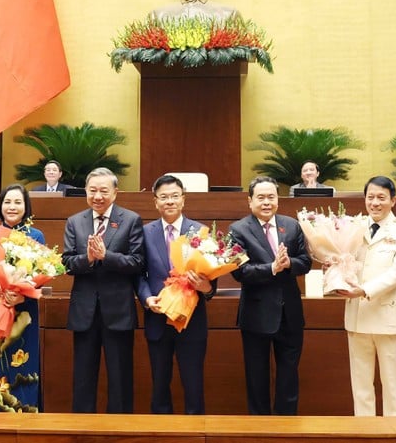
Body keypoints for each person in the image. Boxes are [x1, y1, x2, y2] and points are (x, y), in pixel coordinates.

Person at [62, 167, 144, 413]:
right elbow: (66, 263)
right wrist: (86, 258)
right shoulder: (75, 222)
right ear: (86, 191)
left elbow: (138, 263)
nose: (98, 196)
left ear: (115, 192)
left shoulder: (131, 220)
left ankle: (119, 430)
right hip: (84, 312)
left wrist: (107, 256)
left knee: (120, 379)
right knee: (83, 378)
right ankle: (82, 430)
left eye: (103, 191)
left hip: (118, 311)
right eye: (93, 190)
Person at [229, 176, 311, 415]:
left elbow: (305, 262)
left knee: (289, 378)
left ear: (278, 199)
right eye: (261, 197)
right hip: (256, 315)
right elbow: (240, 272)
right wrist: (272, 268)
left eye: (271, 197)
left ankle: (286, 429)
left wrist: (288, 264)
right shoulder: (239, 229)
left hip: (290, 315)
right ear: (250, 201)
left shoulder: (292, 225)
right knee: (256, 379)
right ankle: (259, 428)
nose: (267, 202)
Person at [136, 174, 216, 414]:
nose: (169, 201)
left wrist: (206, 288)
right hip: (158, 317)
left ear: (183, 200)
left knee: (193, 384)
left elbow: (213, 275)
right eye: (164, 197)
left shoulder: (200, 232)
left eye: (174, 196)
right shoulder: (144, 232)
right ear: (155, 202)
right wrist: (147, 298)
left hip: (191, 321)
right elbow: (138, 274)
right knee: (159, 384)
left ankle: (195, 432)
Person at [338, 176, 396, 416]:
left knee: (392, 388)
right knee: (361, 388)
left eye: (381, 198)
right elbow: (343, 261)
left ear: (393, 200)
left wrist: (364, 290)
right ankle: (364, 435)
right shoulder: (353, 227)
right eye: (370, 197)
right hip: (357, 317)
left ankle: (393, 434)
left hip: (388, 318)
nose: (375, 203)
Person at [0, 184, 45, 412]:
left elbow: (42, 272)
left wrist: (22, 296)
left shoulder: (36, 235)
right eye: (7, 202)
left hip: (25, 315)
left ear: (26, 206)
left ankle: (26, 418)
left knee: (24, 365)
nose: (12, 207)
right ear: (0, 206)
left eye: (17, 202)